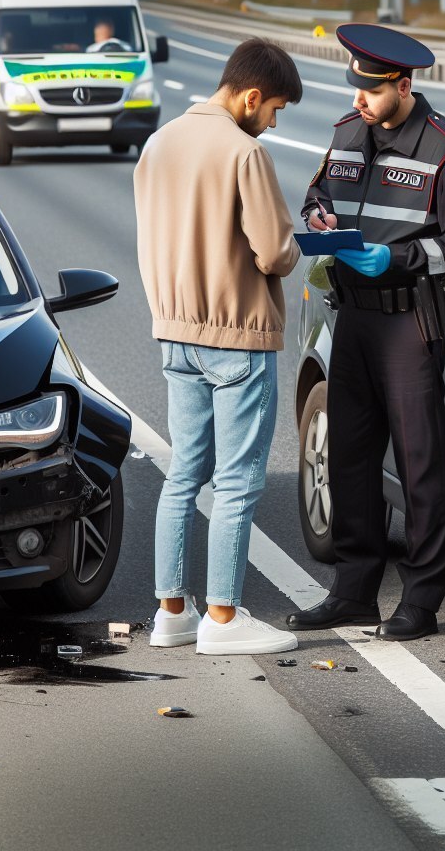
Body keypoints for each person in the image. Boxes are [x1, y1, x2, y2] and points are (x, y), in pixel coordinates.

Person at [286, 23, 445, 642]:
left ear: (403, 85)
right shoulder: (347, 134)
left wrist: (399, 260)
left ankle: (421, 603)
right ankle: (353, 592)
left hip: (408, 320)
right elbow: (318, 192)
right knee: (349, 458)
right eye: (355, 88)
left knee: (421, 464)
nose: (358, 101)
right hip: (354, 317)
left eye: (370, 91)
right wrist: (317, 214)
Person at [134, 37, 304, 655]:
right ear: (251, 95)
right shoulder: (244, 152)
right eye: (276, 109)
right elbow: (274, 253)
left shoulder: (158, 144)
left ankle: (172, 614)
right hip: (238, 335)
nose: (274, 121)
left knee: (183, 476)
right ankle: (225, 619)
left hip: (175, 333)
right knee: (236, 482)